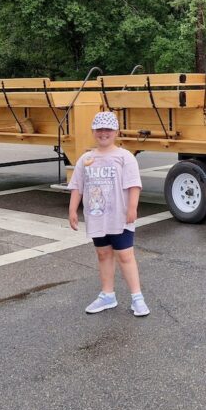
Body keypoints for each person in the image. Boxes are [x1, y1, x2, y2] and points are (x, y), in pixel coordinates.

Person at [68, 111, 149, 317]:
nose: (104, 133)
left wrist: (132, 208)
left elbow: (134, 185)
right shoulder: (86, 159)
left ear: (116, 132)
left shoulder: (125, 157)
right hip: (97, 217)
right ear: (93, 132)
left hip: (120, 217)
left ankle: (137, 298)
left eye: (108, 129)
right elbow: (78, 186)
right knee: (103, 254)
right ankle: (107, 295)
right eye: (99, 129)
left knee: (125, 255)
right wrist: (72, 210)